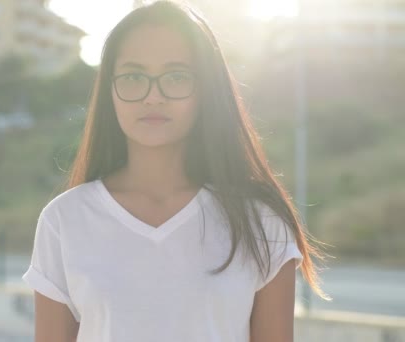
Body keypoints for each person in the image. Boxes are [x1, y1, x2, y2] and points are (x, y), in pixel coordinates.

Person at [22, 1, 329, 341]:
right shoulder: (65, 220)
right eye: (134, 77)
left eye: (177, 76)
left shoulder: (261, 222)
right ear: (110, 90)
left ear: (206, 90)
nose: (153, 96)